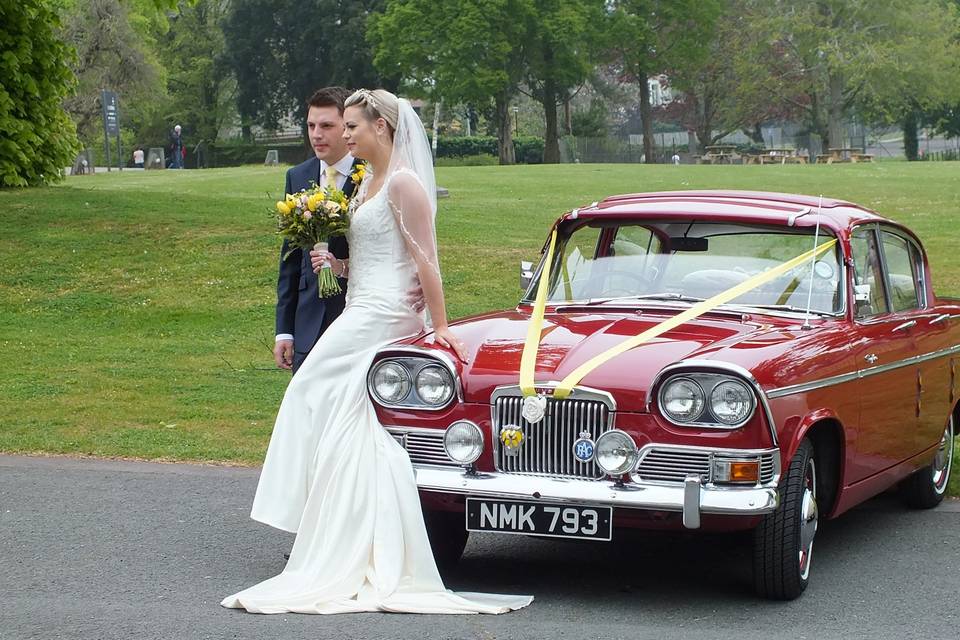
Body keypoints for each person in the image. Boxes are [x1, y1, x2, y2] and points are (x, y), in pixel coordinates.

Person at [221, 89, 533, 615]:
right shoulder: (368, 181)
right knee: (345, 417)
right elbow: (370, 253)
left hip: (384, 314)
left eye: (351, 127)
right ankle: (339, 527)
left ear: (381, 128)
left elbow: (425, 260)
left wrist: (440, 327)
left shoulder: (405, 183)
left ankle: (320, 522)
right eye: (340, 126)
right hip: (360, 303)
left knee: (308, 386)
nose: (343, 135)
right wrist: (335, 268)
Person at [273, 87, 362, 374]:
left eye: (326, 126)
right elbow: (290, 258)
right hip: (307, 320)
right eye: (311, 125)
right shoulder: (297, 176)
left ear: (347, 126)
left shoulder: (370, 173)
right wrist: (284, 330)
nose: (316, 134)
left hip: (354, 314)